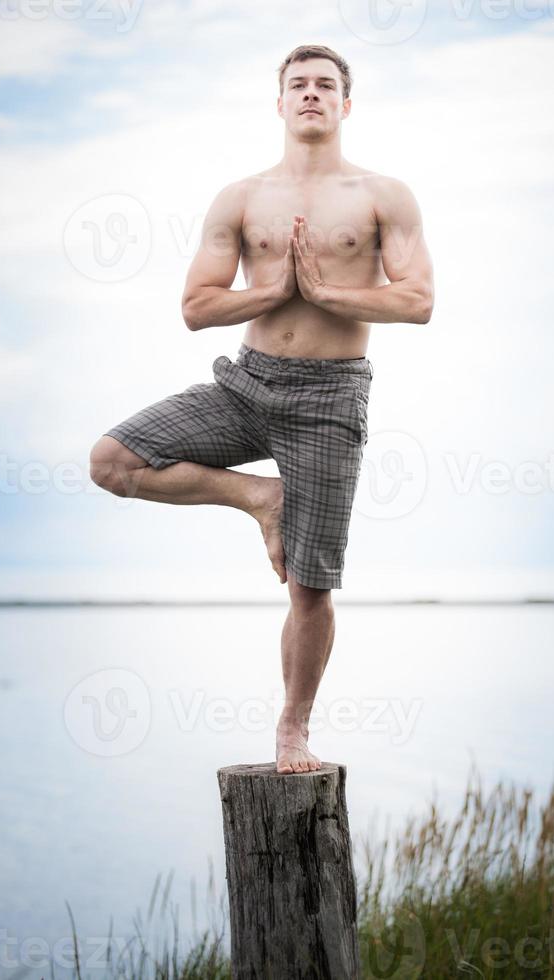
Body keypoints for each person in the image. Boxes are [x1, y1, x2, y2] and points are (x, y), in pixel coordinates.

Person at [89, 44, 434, 775]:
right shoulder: (241, 198)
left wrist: (330, 293)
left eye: (326, 85)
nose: (312, 94)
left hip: (331, 399)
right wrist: (272, 293)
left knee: (311, 584)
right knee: (113, 460)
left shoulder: (384, 195)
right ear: (278, 103)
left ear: (346, 103)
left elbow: (419, 299)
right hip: (244, 386)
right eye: (298, 85)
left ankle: (291, 731)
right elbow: (196, 306)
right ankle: (257, 496)